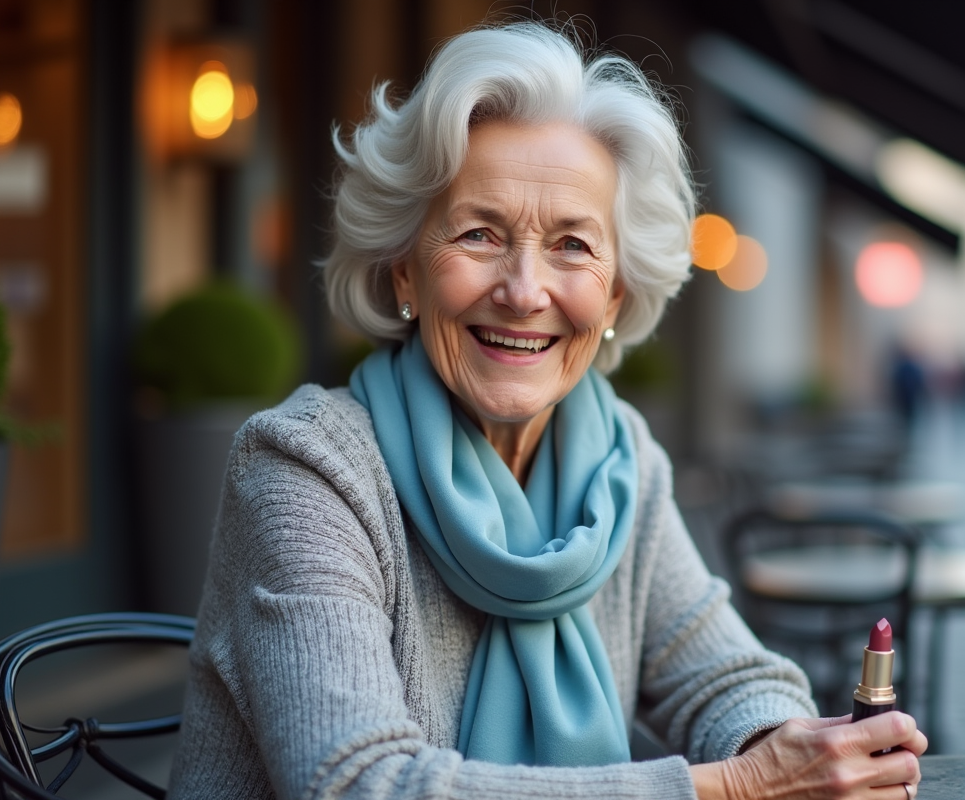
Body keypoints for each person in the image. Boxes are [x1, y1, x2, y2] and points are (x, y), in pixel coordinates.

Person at [168, 22, 926, 800]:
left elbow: (727, 672)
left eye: (572, 245)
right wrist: (734, 786)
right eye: (479, 233)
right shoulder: (305, 468)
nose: (525, 290)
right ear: (403, 272)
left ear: (616, 294)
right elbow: (358, 785)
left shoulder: (617, 459)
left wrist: (791, 751)